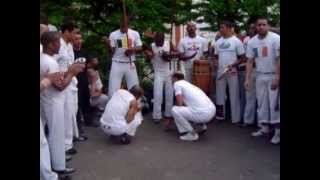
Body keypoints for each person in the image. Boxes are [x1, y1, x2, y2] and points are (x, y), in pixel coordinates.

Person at [40, 31, 84, 175]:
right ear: (49, 44)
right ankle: (59, 166)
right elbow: (60, 87)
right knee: (56, 135)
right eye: (57, 42)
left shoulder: (43, 58)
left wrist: (68, 72)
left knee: (50, 135)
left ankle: (53, 164)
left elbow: (55, 79)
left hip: (46, 100)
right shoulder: (51, 62)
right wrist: (72, 72)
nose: (60, 45)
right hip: (54, 102)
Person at [245, 17, 280, 144]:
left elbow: (279, 59)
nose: (261, 27)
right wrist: (247, 79)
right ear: (255, 26)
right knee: (262, 104)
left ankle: (277, 132)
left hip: (273, 76)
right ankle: (264, 128)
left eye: (264, 25)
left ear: (268, 26)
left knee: (274, 105)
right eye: (259, 25)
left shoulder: (275, 39)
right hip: (260, 75)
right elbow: (249, 61)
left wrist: (277, 77)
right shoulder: (252, 42)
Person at [54, 20, 79, 156]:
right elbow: (54, 65)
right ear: (67, 32)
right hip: (62, 82)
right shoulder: (58, 45)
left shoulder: (69, 45)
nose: (76, 36)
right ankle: (65, 146)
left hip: (71, 80)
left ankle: (69, 141)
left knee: (71, 111)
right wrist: (70, 70)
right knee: (65, 114)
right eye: (74, 33)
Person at [214, 20, 245, 124]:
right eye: (220, 27)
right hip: (220, 72)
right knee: (219, 94)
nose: (220, 29)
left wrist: (233, 65)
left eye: (222, 27)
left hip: (232, 71)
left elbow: (242, 58)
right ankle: (220, 116)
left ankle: (235, 118)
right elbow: (216, 56)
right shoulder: (218, 42)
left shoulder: (237, 41)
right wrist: (215, 63)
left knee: (234, 94)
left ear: (228, 28)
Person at [171, 72, 216, 141]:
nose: (171, 80)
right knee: (192, 107)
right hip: (212, 111)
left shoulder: (177, 84)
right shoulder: (188, 84)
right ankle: (201, 126)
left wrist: (172, 117)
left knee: (175, 110)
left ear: (175, 78)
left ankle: (191, 134)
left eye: (172, 78)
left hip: (203, 114)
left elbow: (179, 103)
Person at [107, 15, 143, 97]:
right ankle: (113, 108)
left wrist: (132, 49)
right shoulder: (113, 34)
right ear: (119, 24)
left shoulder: (134, 33)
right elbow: (111, 52)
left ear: (128, 25)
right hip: (117, 63)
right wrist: (108, 44)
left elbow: (140, 47)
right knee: (113, 88)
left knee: (134, 87)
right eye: (122, 25)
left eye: (125, 26)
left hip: (130, 63)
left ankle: (135, 108)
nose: (123, 28)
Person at [144, 32, 174, 123]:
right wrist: (148, 55)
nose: (159, 44)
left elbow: (174, 53)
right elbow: (148, 58)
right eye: (157, 42)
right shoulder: (152, 46)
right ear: (155, 40)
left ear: (163, 39)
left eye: (160, 41)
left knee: (169, 94)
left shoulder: (169, 43)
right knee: (157, 94)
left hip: (168, 72)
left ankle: (168, 114)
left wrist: (168, 55)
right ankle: (157, 116)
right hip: (158, 73)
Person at [73, 32, 92, 138]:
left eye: (80, 39)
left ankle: (89, 121)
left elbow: (88, 65)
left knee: (86, 102)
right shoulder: (70, 53)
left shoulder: (84, 52)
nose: (79, 41)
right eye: (76, 39)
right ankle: (78, 128)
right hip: (74, 84)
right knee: (76, 106)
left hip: (84, 82)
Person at [241, 23, 257, 126]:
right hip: (250, 70)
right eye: (250, 28)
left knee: (261, 98)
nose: (251, 30)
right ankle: (248, 120)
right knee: (249, 96)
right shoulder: (247, 40)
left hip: (260, 70)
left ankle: (261, 123)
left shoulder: (261, 40)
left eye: (253, 28)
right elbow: (246, 58)